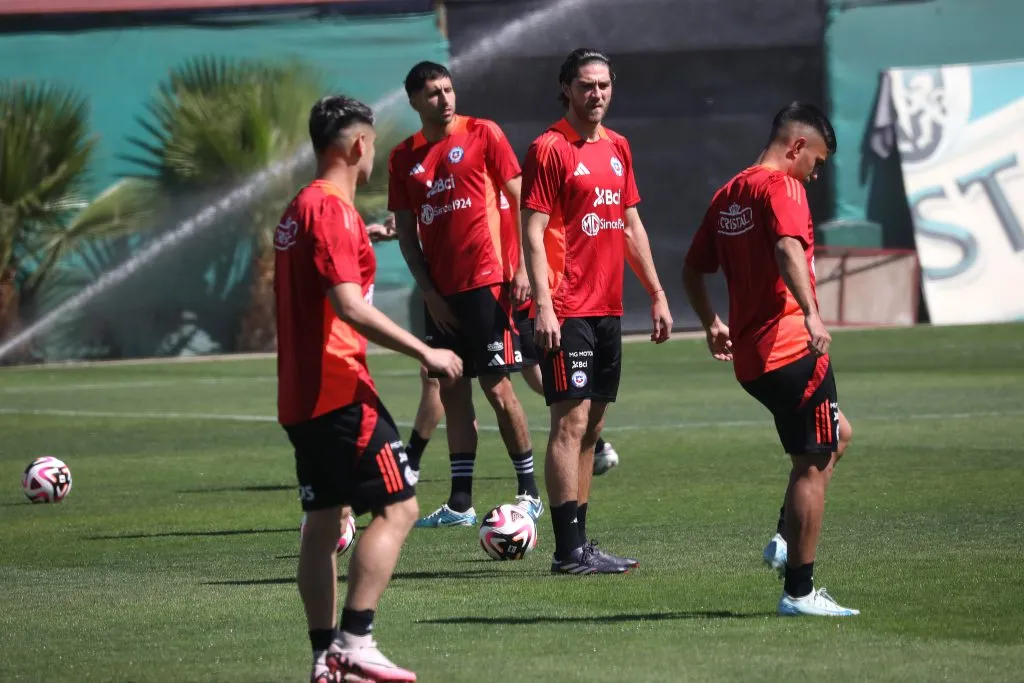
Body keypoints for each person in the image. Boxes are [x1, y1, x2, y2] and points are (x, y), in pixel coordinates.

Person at [275, 94, 462, 683]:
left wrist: (369, 234)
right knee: (400, 506)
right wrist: (426, 349)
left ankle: (323, 657)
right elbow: (349, 307)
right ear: (358, 145)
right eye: (372, 143)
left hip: (300, 396)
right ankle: (356, 641)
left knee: (324, 521)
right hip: (338, 391)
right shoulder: (330, 208)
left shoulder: (301, 208)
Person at [681, 102, 859, 617]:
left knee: (836, 436)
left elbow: (693, 269)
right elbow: (786, 247)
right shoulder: (783, 188)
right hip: (791, 347)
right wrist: (812, 314)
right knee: (815, 458)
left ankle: (785, 539)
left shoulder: (730, 193)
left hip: (754, 359)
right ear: (797, 146)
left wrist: (711, 321)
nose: (817, 172)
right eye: (817, 160)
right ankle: (800, 593)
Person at [521, 48, 672, 575]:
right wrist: (543, 306)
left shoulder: (618, 148)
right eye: (587, 85)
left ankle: (581, 545)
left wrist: (655, 292)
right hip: (566, 308)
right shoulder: (549, 148)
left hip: (608, 307)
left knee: (592, 425)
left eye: (604, 85)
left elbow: (631, 227)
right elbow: (533, 232)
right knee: (570, 421)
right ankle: (566, 551)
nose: (597, 94)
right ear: (566, 89)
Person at [388, 61, 542, 528]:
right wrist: (429, 293)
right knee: (452, 388)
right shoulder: (402, 158)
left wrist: (520, 267)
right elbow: (407, 234)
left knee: (498, 389)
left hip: (487, 283)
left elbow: (522, 200)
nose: (445, 99)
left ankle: (529, 492)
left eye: (449, 89)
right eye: (433, 93)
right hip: (443, 295)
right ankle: (460, 502)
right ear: (414, 100)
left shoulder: (484, 133)